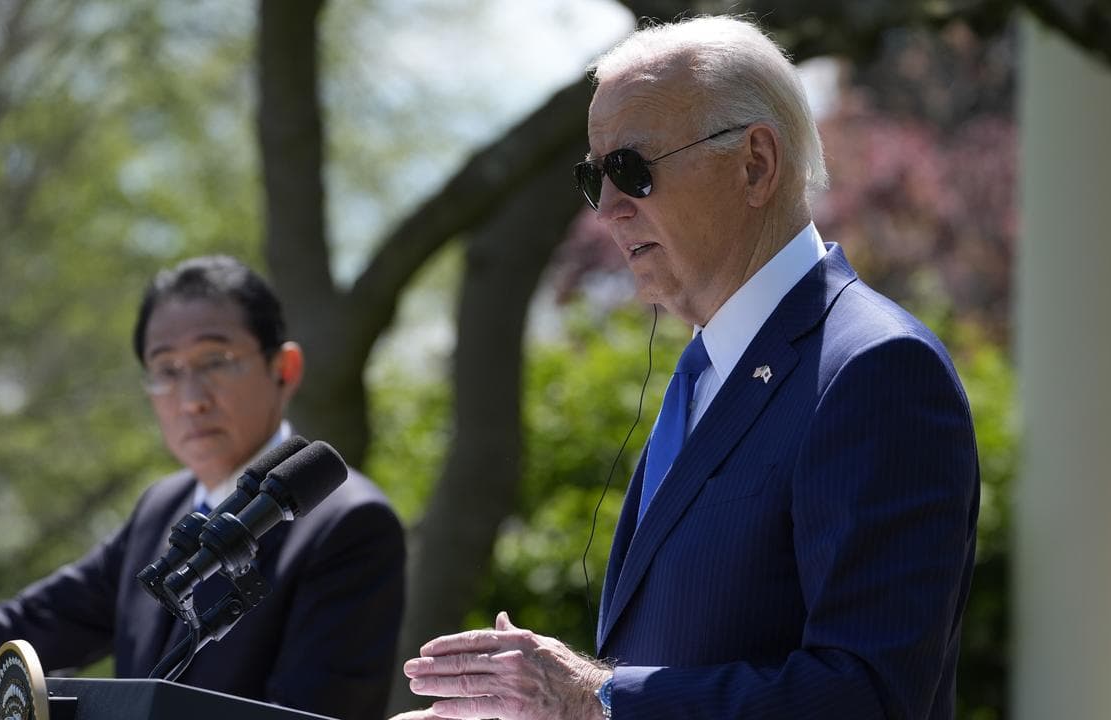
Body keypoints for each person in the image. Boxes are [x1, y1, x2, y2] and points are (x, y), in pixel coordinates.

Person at [397, 15, 980, 720]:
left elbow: (869, 697)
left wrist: (589, 698)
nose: (609, 209)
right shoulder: (711, 371)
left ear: (755, 164)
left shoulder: (876, 369)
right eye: (594, 177)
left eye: (631, 168)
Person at [0, 255, 405, 720]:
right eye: (167, 371)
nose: (191, 399)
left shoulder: (349, 522)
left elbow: (313, 712)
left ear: (284, 368)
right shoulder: (161, 508)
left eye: (216, 361)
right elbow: (34, 626)